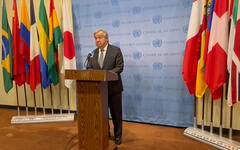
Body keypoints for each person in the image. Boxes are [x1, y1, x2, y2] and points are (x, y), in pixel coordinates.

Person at [87, 29, 124, 145]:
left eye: (100, 37)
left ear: (106, 38)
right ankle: (105, 132)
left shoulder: (116, 50)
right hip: (98, 90)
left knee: (116, 114)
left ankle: (118, 136)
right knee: (102, 115)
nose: (97, 40)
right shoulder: (92, 53)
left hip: (114, 89)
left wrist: (106, 75)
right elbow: (89, 69)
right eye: (95, 38)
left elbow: (119, 67)